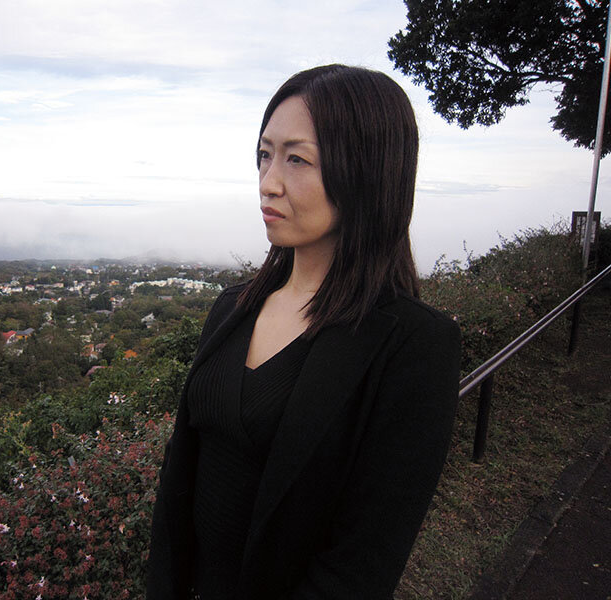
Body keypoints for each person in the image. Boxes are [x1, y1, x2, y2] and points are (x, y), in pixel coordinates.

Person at [147, 64, 462, 600]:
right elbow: (179, 483)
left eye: (297, 159)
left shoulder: (413, 345)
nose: (268, 182)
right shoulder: (233, 309)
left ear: (366, 170)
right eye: (264, 155)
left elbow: (360, 565)